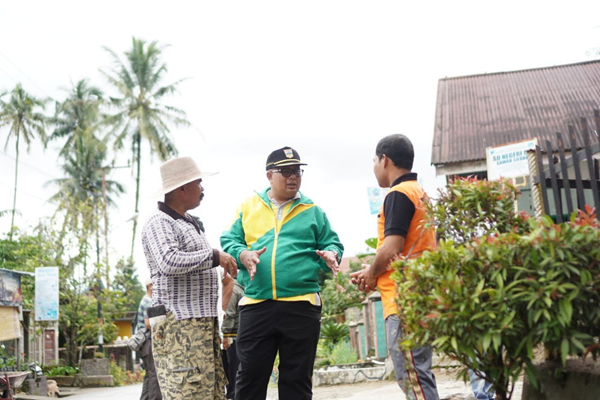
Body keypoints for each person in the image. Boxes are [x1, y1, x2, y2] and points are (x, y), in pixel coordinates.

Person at [221, 146, 343, 400]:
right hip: (257, 303)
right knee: (249, 380)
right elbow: (229, 241)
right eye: (285, 171)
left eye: (297, 171)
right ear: (269, 175)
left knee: (297, 381)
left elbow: (332, 243)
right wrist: (243, 255)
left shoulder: (313, 210)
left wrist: (331, 254)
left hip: (302, 304)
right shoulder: (248, 207)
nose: (293, 177)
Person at [350, 134, 440, 400]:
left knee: (412, 376)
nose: (375, 167)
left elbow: (391, 249)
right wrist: (373, 271)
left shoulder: (398, 194)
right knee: (420, 375)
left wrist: (370, 272)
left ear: (384, 160)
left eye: (375, 161)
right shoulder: (420, 193)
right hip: (419, 294)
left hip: (404, 300)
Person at [141, 156, 238, 400]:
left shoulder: (187, 222)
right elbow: (169, 261)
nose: (202, 189)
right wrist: (216, 257)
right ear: (182, 188)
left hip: (199, 323)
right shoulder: (159, 222)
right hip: (179, 324)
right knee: (187, 390)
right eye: (198, 183)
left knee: (210, 390)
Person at [136, 277, 161, 400]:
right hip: (148, 342)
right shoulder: (148, 301)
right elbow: (148, 323)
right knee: (154, 375)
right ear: (150, 286)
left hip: (143, 343)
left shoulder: (145, 299)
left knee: (149, 374)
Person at [221, 279, 244, 399]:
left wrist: (225, 333)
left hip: (233, 336)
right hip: (235, 336)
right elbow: (229, 314)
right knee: (235, 371)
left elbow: (229, 314)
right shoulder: (238, 288)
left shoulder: (235, 289)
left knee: (233, 372)